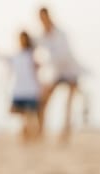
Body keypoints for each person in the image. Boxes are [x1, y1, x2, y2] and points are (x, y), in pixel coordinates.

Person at [37, 7, 87, 143]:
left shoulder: (61, 34)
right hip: (57, 73)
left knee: (68, 105)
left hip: (70, 71)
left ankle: (65, 134)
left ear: (48, 16)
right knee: (44, 101)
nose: (42, 21)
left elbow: (64, 55)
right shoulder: (42, 36)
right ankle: (41, 131)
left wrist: (46, 63)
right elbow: (37, 50)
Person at [6, 31, 41, 143]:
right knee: (22, 114)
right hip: (19, 89)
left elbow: (36, 70)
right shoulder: (17, 55)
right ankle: (27, 135)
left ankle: (31, 136)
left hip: (30, 89)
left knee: (29, 115)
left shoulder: (31, 55)